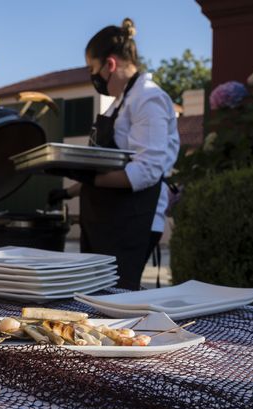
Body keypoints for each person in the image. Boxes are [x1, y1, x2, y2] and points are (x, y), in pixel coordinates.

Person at [48, 18, 179, 290]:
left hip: (132, 221)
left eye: (92, 69)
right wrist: (67, 191)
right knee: (94, 299)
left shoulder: (149, 98)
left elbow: (146, 171)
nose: (92, 76)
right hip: (105, 219)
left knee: (115, 301)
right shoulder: (118, 104)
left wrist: (88, 178)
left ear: (110, 64)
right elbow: (104, 167)